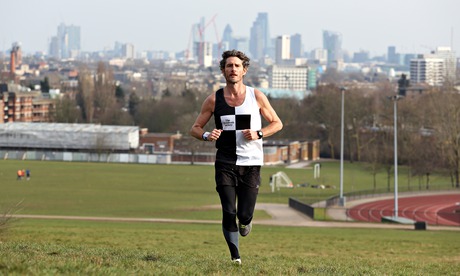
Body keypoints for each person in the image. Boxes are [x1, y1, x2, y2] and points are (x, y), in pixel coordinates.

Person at [190, 49, 283, 265]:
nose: (233, 69)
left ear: (244, 70)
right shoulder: (214, 99)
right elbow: (194, 128)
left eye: (237, 66)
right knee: (228, 210)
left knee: (244, 213)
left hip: (251, 163)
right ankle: (235, 258)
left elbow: (277, 123)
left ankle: (246, 221)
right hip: (225, 162)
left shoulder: (256, 96)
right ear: (223, 71)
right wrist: (206, 135)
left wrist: (259, 133)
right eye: (229, 66)